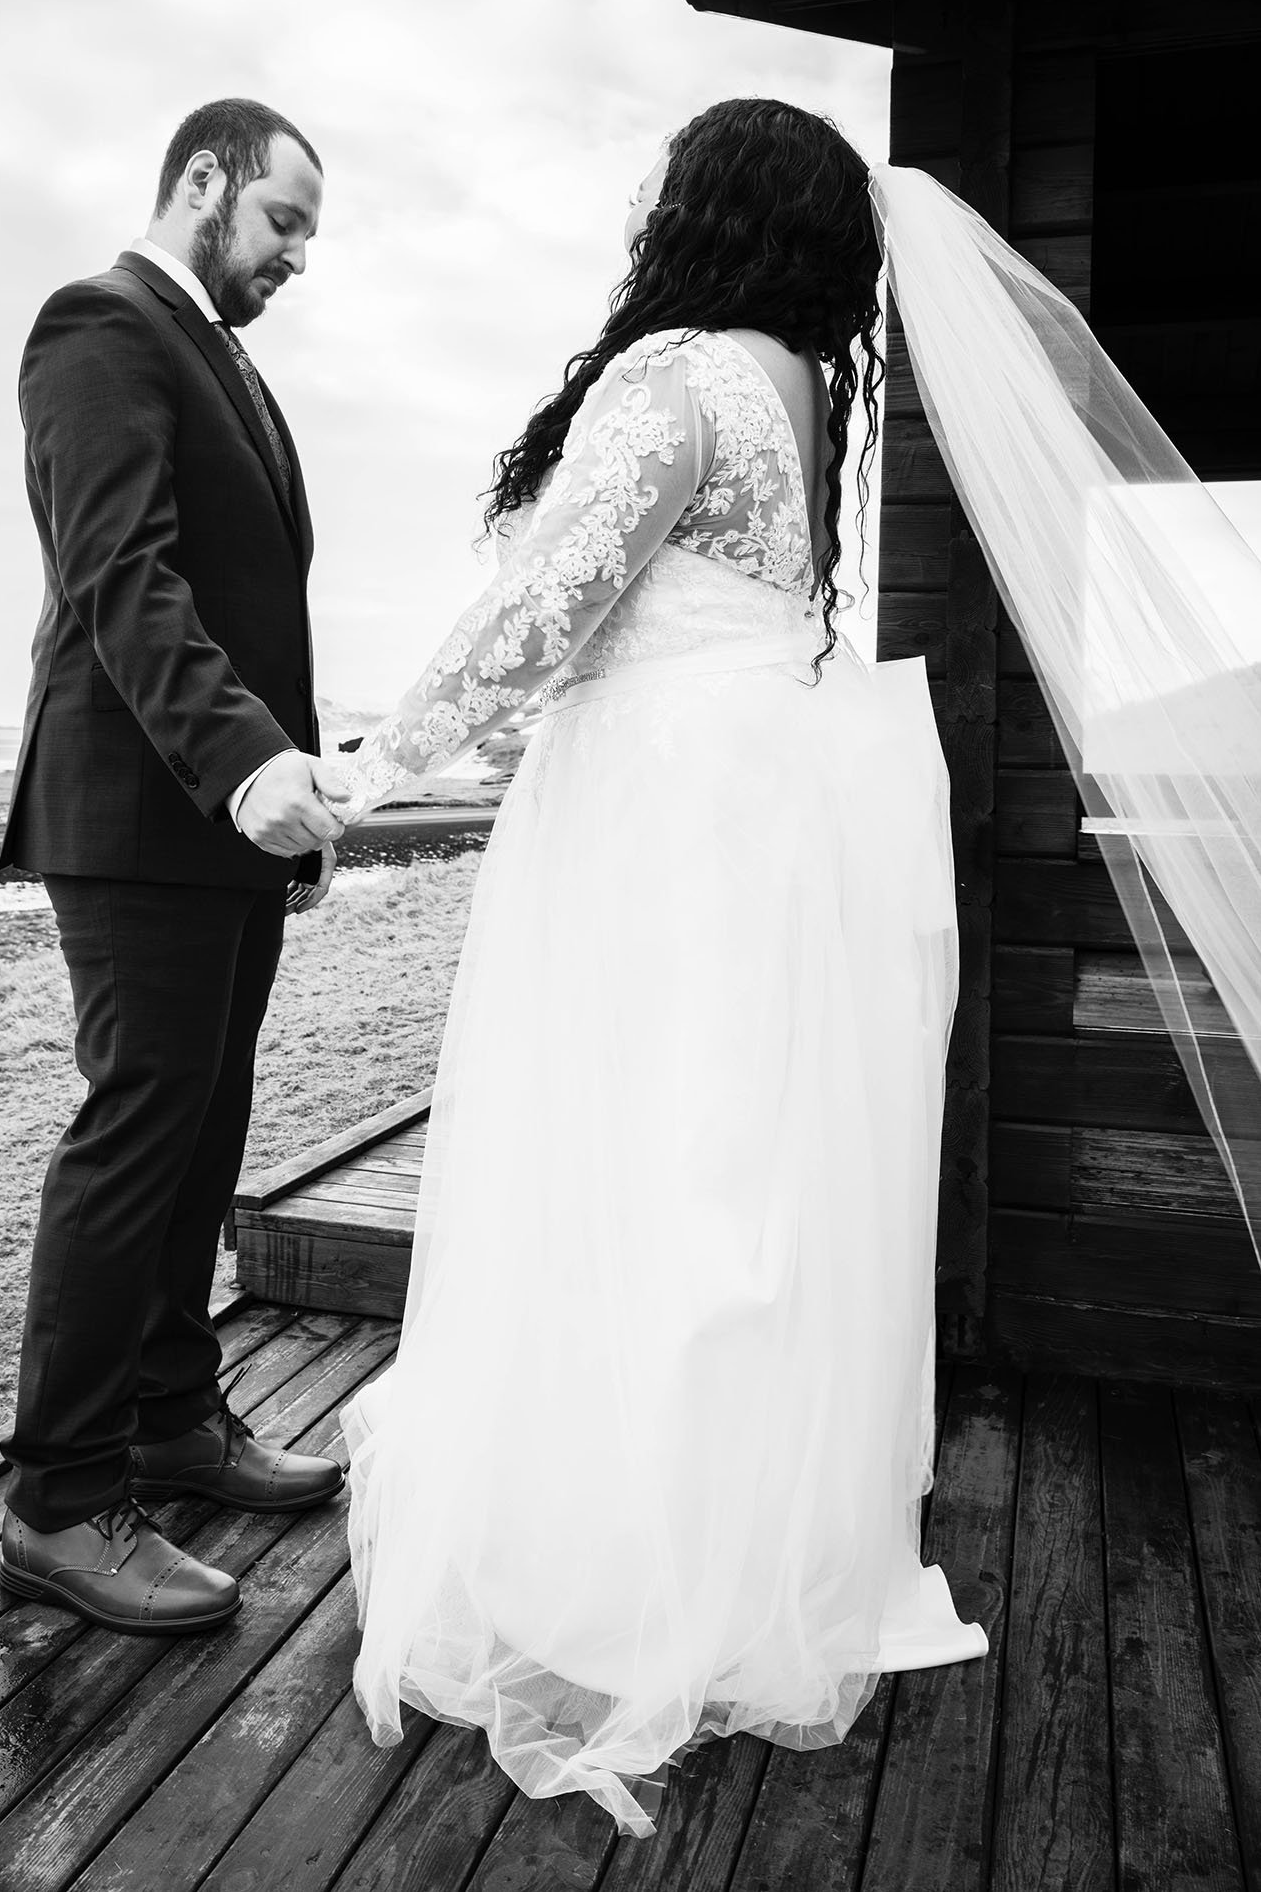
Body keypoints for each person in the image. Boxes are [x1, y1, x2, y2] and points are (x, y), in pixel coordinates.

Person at [334, 98, 987, 1834]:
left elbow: (554, 605)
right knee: (738, 1190)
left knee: (615, 1170)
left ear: (704, 215)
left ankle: (621, 1581)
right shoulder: (800, 389)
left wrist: (375, 764)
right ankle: (746, 1558)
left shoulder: (681, 374)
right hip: (765, 821)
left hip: (650, 820)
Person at [0, 99, 351, 1637]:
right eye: (282, 220)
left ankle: (170, 1418)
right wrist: (245, 764)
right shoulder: (99, 326)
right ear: (202, 179)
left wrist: (300, 790)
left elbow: (255, 601)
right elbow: (120, 578)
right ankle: (60, 1502)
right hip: (138, 813)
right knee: (136, 1130)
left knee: (208, 1124)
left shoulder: (227, 357)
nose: (294, 257)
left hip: (224, 825)